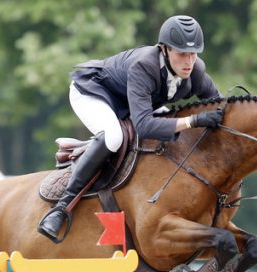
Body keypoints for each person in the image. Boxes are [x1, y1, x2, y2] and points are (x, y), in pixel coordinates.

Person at [38, 15, 224, 242]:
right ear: (164, 49)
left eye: (193, 53)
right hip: (93, 92)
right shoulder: (145, 65)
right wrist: (193, 121)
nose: (189, 61)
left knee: (169, 119)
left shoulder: (196, 71)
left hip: (131, 104)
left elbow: (221, 107)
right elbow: (144, 125)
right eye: (181, 53)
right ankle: (60, 209)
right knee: (114, 137)